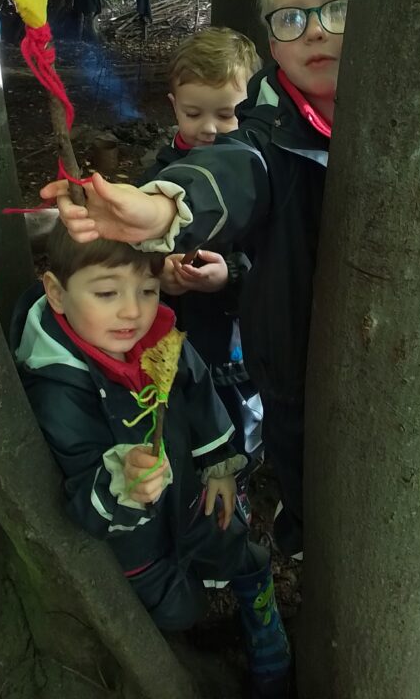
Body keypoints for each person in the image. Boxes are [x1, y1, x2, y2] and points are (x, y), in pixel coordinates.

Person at [42, 0, 354, 559]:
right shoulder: (263, 133)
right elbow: (234, 174)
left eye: (339, 9)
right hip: (276, 349)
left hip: (368, 349)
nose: (315, 32)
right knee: (290, 451)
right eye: (292, 18)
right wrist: (156, 216)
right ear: (273, 43)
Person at [10, 225, 291, 698]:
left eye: (147, 289)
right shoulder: (60, 391)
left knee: (231, 544)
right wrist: (122, 483)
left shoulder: (160, 337)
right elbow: (79, 489)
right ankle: (189, 638)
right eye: (106, 292)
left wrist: (219, 463)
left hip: (193, 494)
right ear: (57, 293)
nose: (132, 311)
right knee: (177, 607)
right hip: (137, 537)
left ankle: (262, 620)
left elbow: (200, 392)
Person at [144, 27, 264, 502]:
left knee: (237, 411)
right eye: (194, 113)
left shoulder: (256, 174)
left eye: (227, 114)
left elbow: (272, 260)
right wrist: (161, 272)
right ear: (174, 105)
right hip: (178, 335)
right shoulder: (158, 174)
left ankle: (241, 479)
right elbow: (137, 253)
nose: (209, 127)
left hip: (235, 339)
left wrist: (229, 275)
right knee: (180, 407)